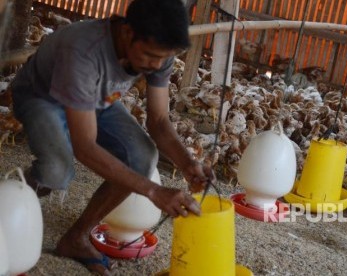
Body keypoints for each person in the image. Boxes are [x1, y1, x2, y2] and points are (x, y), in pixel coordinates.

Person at [10, 0, 215, 274]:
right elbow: (85, 147)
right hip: (42, 96)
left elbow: (159, 120)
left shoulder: (159, 52)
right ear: (127, 32)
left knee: (142, 157)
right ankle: (10, 201)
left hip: (93, 99)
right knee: (57, 171)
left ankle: (76, 238)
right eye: (150, 56)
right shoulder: (84, 50)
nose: (156, 65)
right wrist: (153, 191)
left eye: (163, 59)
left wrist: (188, 164)